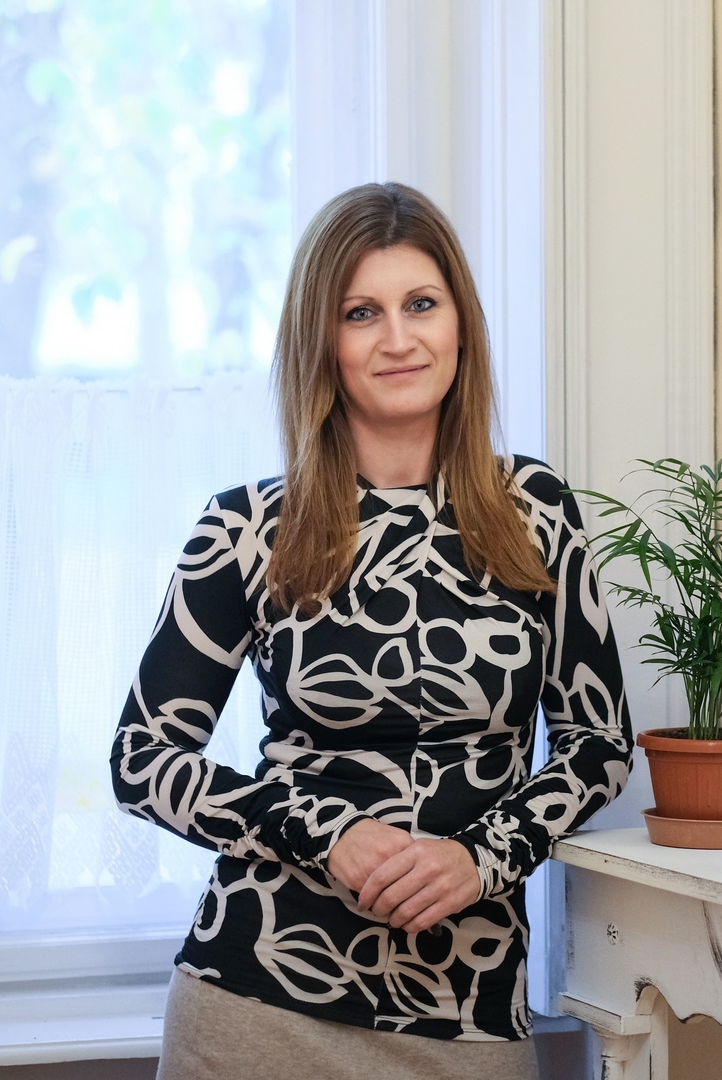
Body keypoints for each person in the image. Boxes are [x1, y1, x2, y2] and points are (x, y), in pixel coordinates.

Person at [109, 182, 634, 1079]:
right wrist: (326, 834)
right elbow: (142, 759)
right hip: (255, 1005)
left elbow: (599, 744)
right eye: (362, 313)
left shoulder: (536, 509)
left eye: (421, 304)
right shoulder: (246, 528)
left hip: (468, 1013)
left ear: (460, 326)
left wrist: (482, 858)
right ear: (323, 342)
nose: (398, 338)